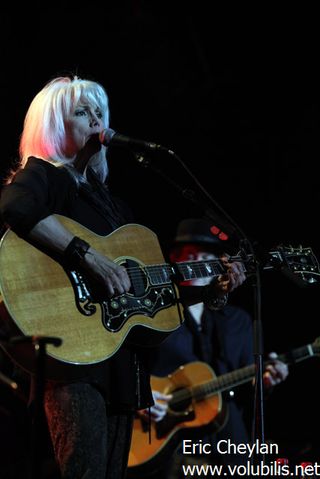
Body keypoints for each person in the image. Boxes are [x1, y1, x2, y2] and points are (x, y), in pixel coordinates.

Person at [0, 76, 246, 479]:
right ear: (54, 125)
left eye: (100, 112)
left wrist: (213, 290)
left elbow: (149, 292)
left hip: (120, 366)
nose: (96, 120)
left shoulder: (113, 206)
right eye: (82, 112)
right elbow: (16, 206)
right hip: (75, 362)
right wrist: (88, 257)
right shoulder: (46, 175)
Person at [130, 218, 289, 479]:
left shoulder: (237, 322)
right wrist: (140, 396)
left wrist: (265, 380)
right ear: (173, 259)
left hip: (225, 439)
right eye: (189, 255)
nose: (196, 264)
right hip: (165, 436)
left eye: (204, 256)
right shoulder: (154, 315)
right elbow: (128, 362)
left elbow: (250, 380)